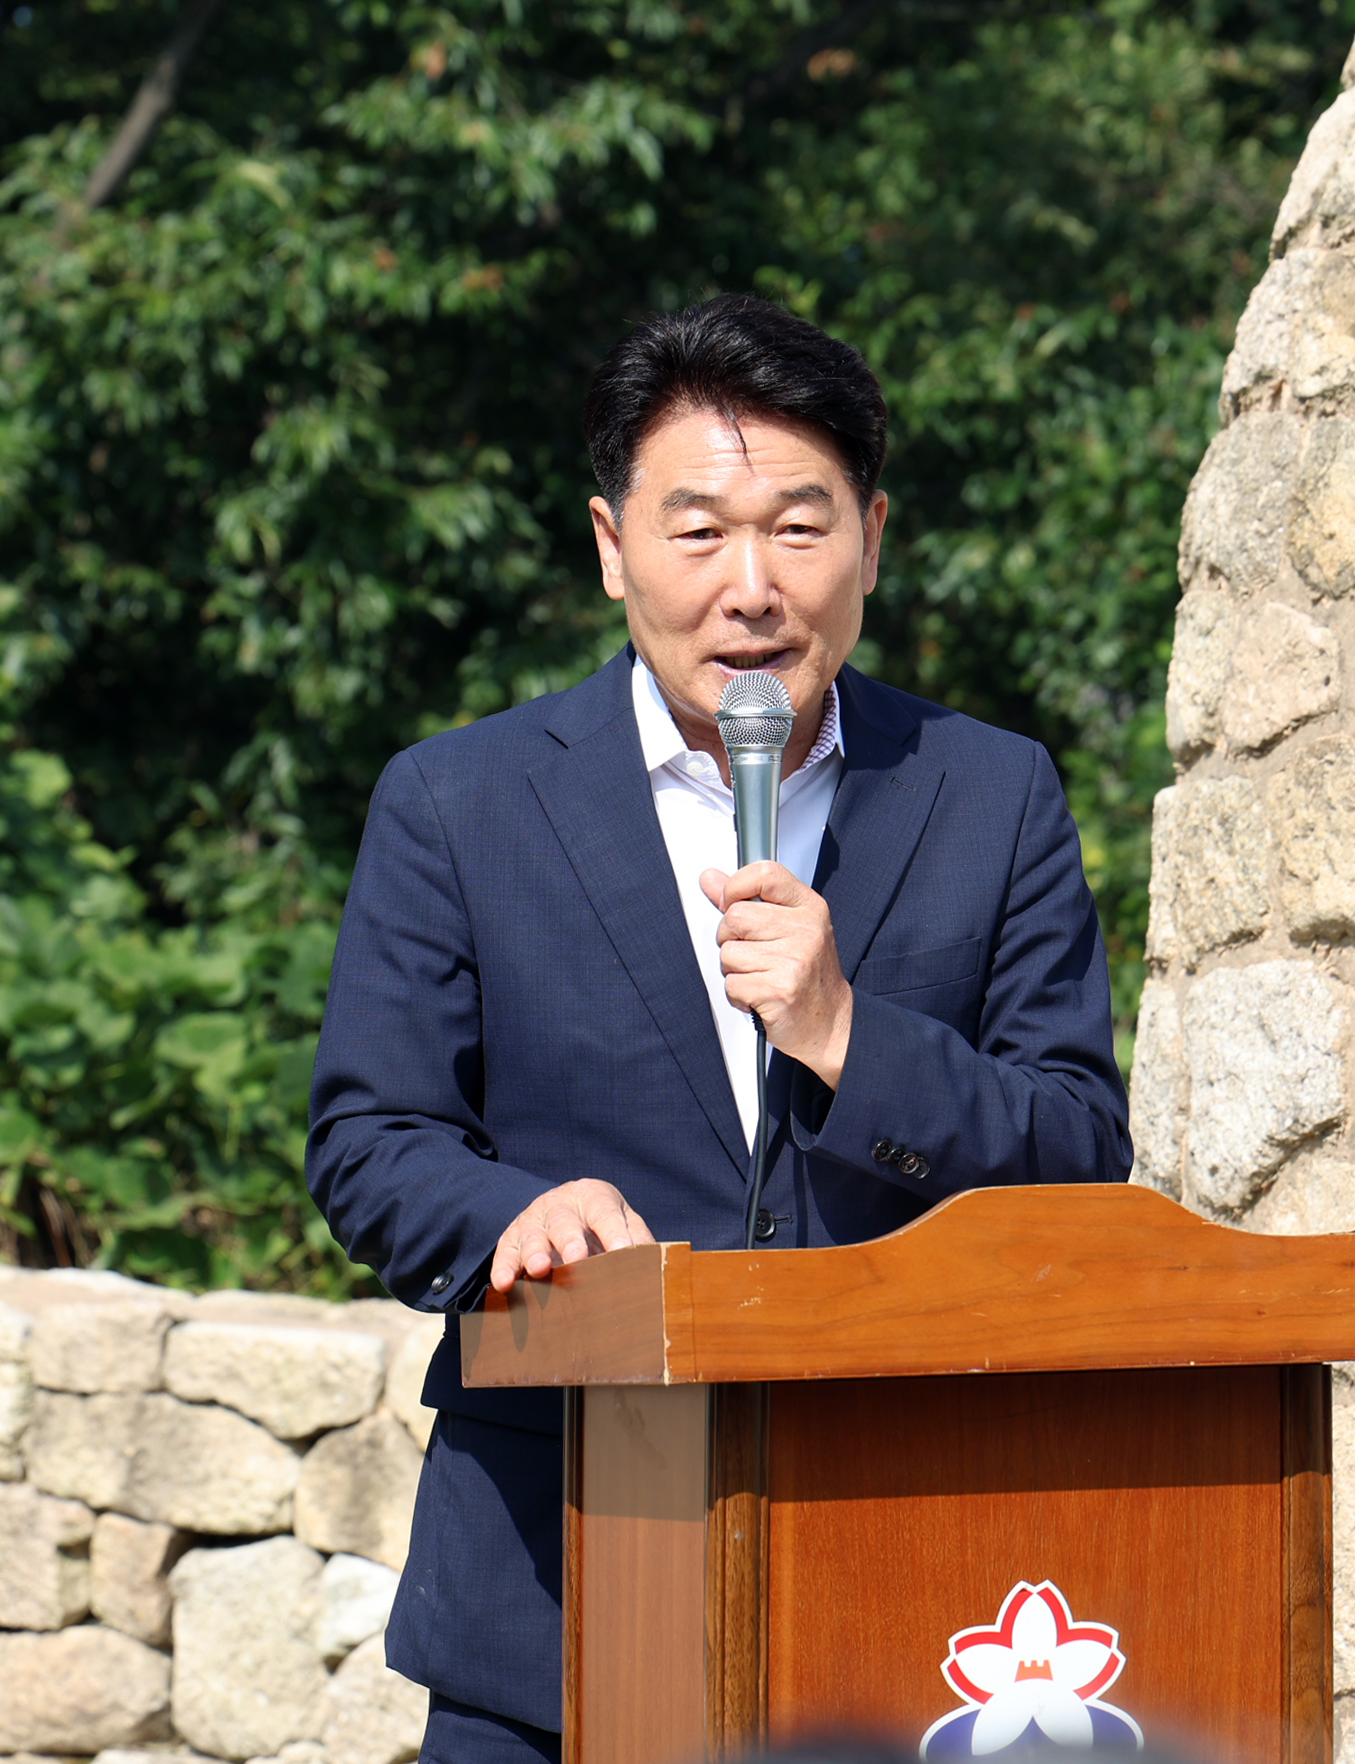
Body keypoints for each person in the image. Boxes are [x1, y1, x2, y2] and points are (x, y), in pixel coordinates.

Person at [304, 293, 1132, 1764]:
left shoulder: (988, 791)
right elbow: (371, 1141)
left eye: (798, 528)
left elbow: (1076, 1143)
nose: (751, 586)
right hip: (552, 1579)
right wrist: (513, 1214)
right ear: (613, 545)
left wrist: (843, 1033)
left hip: (903, 1576)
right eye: (697, 532)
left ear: (870, 535)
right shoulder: (460, 802)